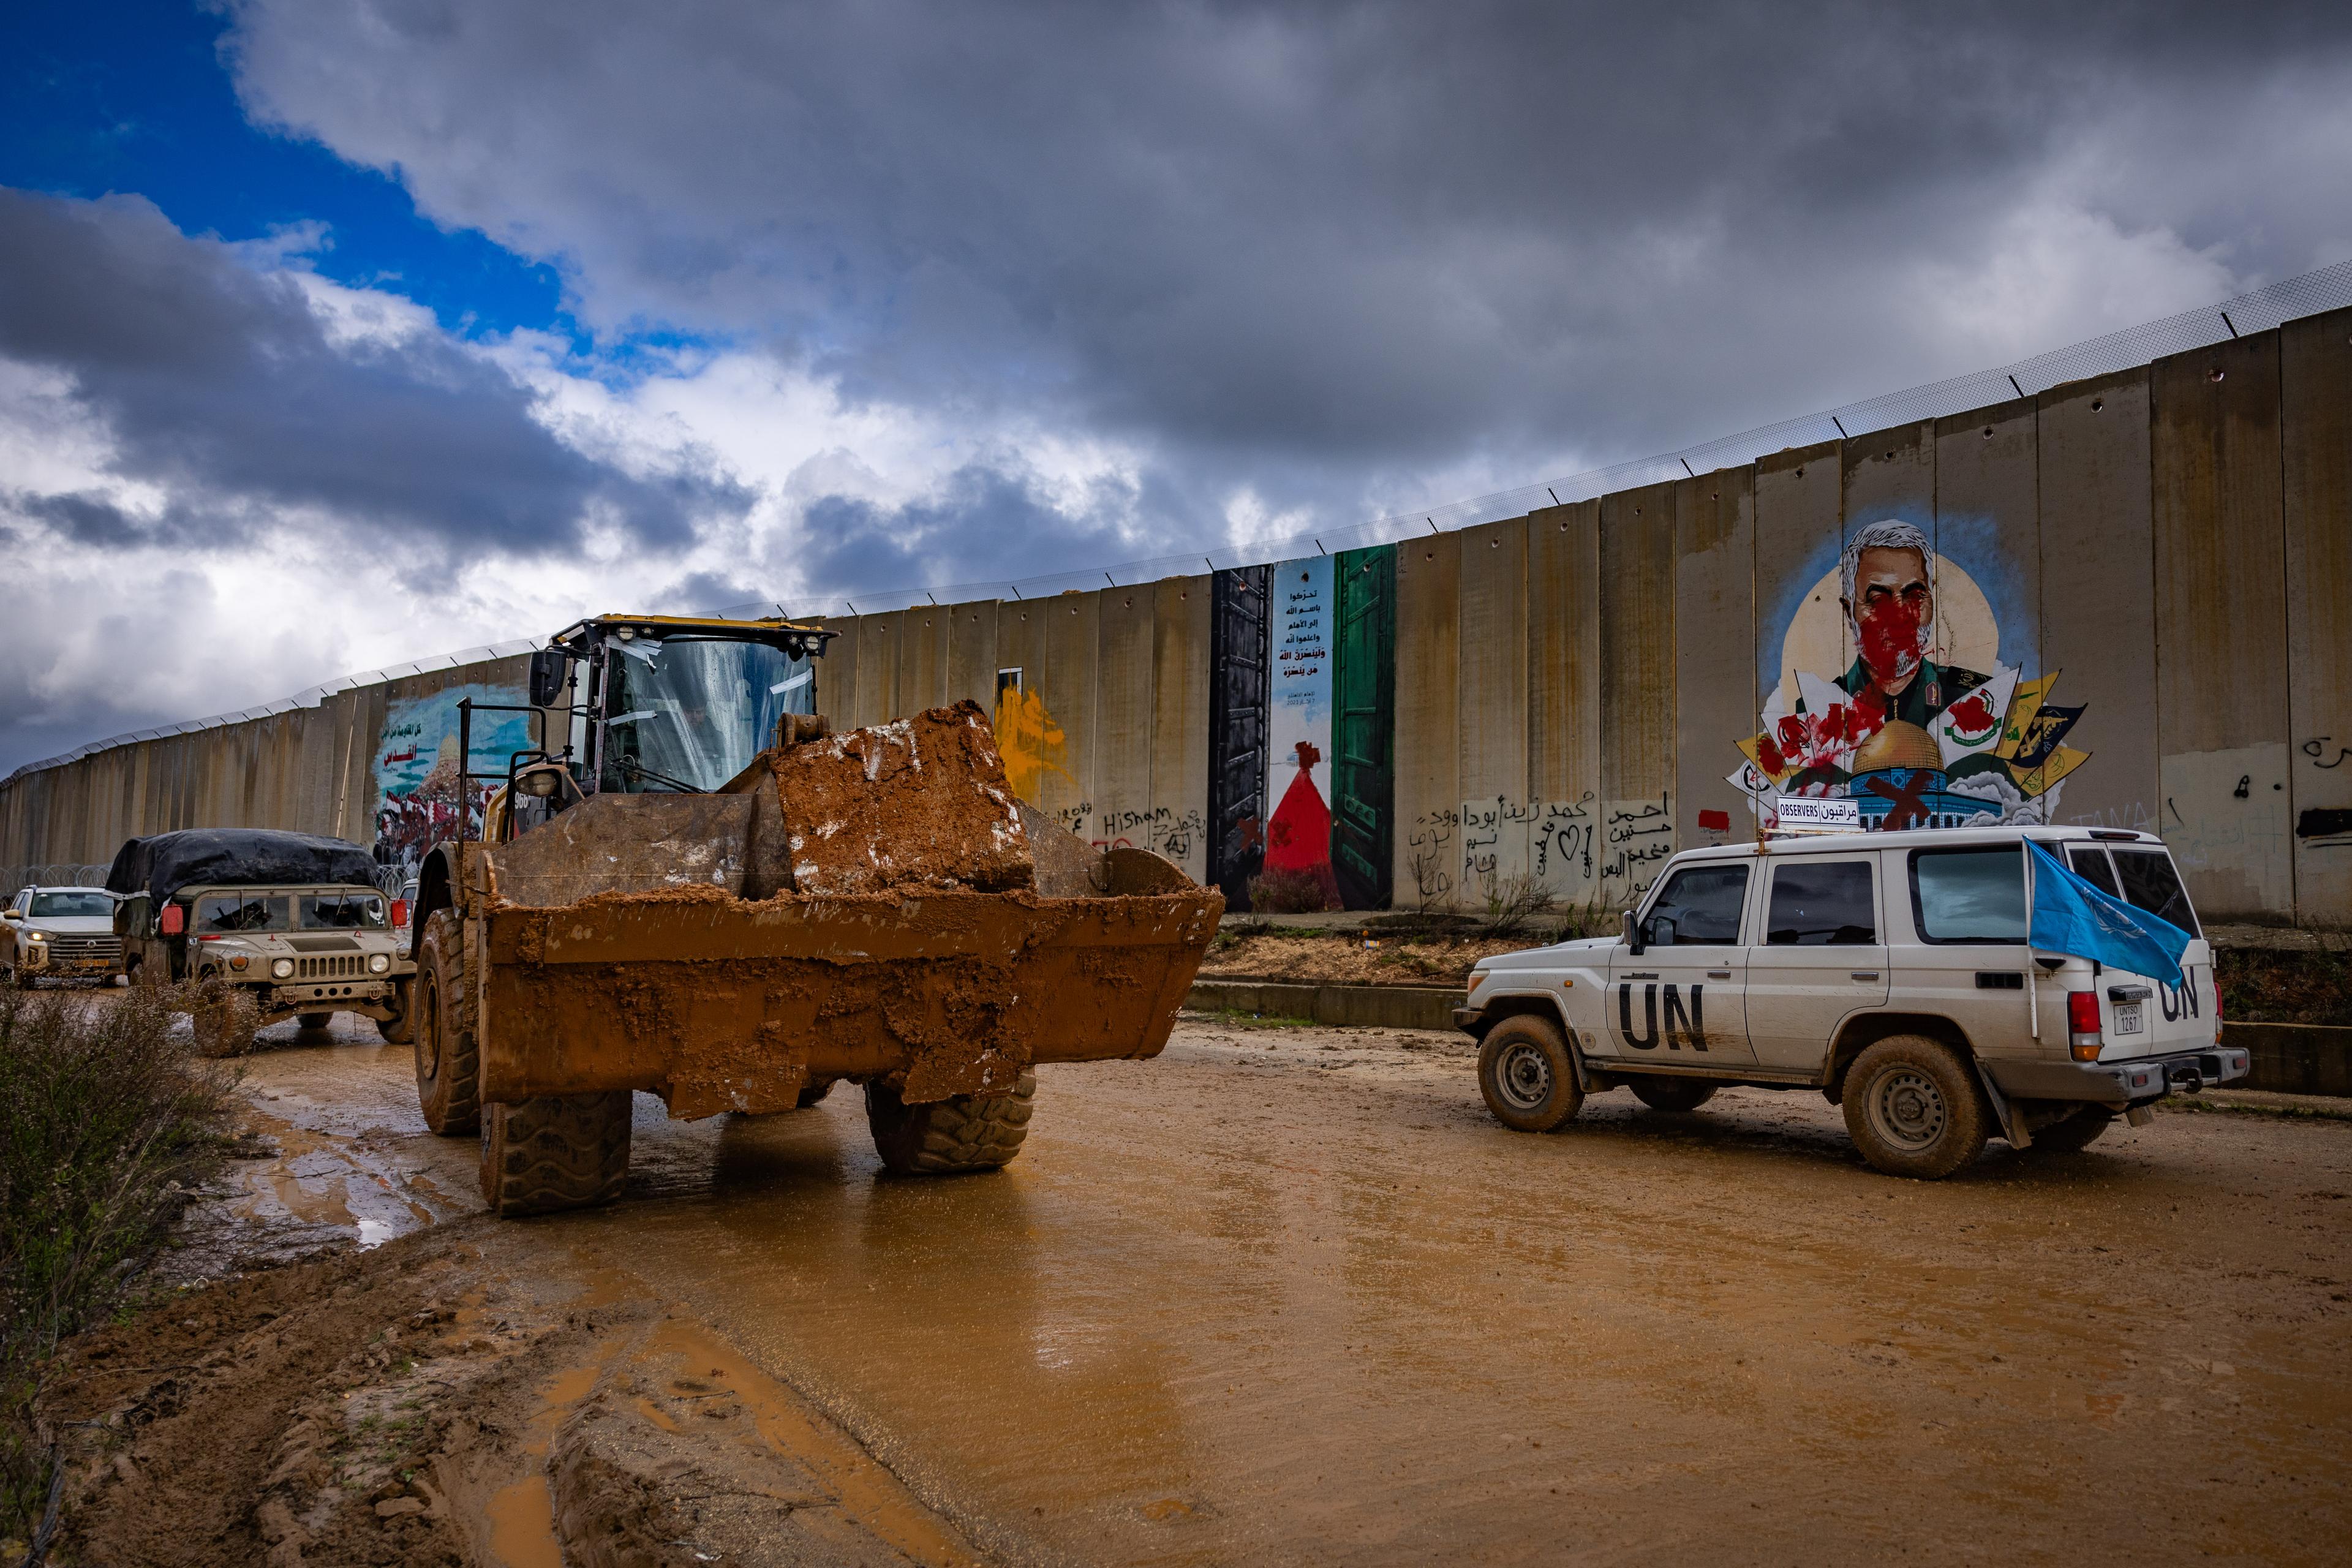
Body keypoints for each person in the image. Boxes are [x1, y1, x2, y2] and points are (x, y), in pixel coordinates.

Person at [1834, 519, 1988, 729]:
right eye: (1878, 600)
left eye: (1915, 595)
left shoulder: (1977, 696)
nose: (1899, 616)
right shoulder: (1820, 707)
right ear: (1848, 611)